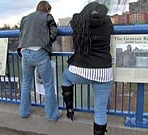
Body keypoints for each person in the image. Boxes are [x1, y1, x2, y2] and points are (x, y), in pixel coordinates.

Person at [61, 2, 113, 135]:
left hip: (82, 71)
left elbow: (75, 20)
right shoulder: (107, 22)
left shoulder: (79, 22)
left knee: (65, 76)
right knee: (100, 110)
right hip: (104, 72)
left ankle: (70, 109)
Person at [17, 0, 60, 121]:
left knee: (26, 83)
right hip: (39, 52)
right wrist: (46, 43)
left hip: (25, 52)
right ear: (47, 9)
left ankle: (24, 112)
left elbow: (22, 34)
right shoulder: (47, 16)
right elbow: (54, 32)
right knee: (48, 85)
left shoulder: (25, 18)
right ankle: (52, 115)